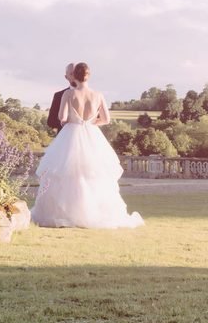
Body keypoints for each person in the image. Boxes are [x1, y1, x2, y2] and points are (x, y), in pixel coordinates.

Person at [31, 62, 144, 228]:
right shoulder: (98, 95)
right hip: (92, 135)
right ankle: (94, 213)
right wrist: (89, 122)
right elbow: (106, 119)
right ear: (88, 75)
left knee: (65, 173)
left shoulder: (69, 94)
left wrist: (75, 121)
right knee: (93, 173)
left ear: (74, 76)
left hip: (71, 134)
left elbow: (62, 118)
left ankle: (65, 212)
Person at [46, 63, 75, 131]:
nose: (75, 76)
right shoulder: (59, 95)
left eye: (77, 73)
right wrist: (68, 123)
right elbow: (50, 121)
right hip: (65, 137)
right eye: (71, 74)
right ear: (66, 77)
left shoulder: (92, 96)